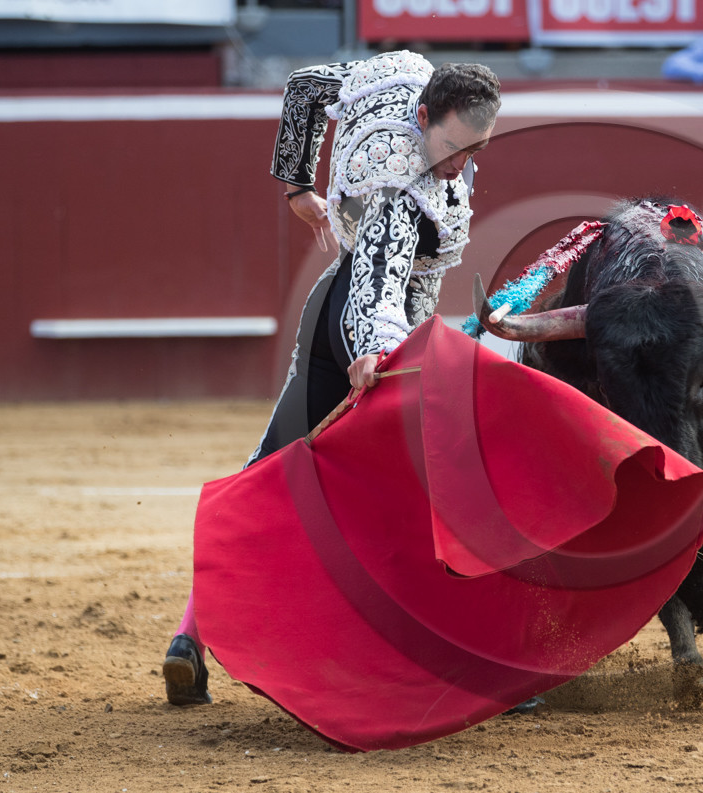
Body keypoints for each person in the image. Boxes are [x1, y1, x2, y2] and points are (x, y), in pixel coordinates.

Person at [162, 51, 502, 706]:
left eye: (476, 148)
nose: (459, 162)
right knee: (432, 490)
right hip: (371, 327)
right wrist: (376, 349)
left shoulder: (402, 76)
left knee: (269, 472)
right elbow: (379, 277)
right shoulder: (399, 179)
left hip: (328, 306)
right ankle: (460, 661)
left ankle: (189, 640)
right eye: (453, 146)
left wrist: (297, 187)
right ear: (424, 118)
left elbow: (305, 86)